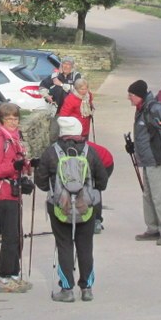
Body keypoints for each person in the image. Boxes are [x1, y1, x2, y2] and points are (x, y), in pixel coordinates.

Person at [35, 116, 110, 302]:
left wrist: (57, 191)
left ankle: (67, 289)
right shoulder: (90, 151)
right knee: (85, 247)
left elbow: (41, 181)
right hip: (86, 208)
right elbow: (102, 181)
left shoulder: (51, 152)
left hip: (60, 207)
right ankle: (87, 288)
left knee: (64, 245)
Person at [0, 101, 33, 292]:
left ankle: (14, 274)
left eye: (15, 118)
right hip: (2, 193)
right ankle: (5, 279)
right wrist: (14, 167)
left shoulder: (14, 137)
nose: (13, 122)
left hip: (14, 191)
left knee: (17, 236)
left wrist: (27, 165)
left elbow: (17, 162)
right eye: (8, 118)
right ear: (1, 120)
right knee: (10, 237)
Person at [125, 79, 161, 246]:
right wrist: (134, 147)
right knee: (148, 195)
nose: (128, 98)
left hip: (156, 159)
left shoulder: (153, 107)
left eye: (130, 95)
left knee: (160, 196)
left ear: (139, 96)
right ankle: (153, 229)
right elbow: (146, 133)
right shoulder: (142, 108)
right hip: (147, 160)